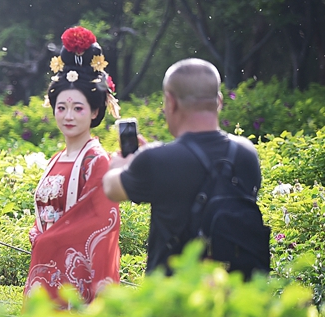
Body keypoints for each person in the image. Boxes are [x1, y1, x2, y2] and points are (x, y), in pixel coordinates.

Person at [102, 58, 264, 275]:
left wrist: (122, 165)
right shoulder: (246, 153)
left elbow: (111, 188)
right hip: (235, 294)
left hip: (175, 299)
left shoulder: (156, 160)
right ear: (219, 101)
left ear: (171, 102)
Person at [23, 26, 122, 306]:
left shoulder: (96, 161)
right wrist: (37, 233)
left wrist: (48, 240)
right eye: (61, 107)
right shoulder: (56, 160)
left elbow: (98, 223)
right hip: (44, 266)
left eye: (78, 108)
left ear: (94, 111)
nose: (68, 116)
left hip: (73, 280)